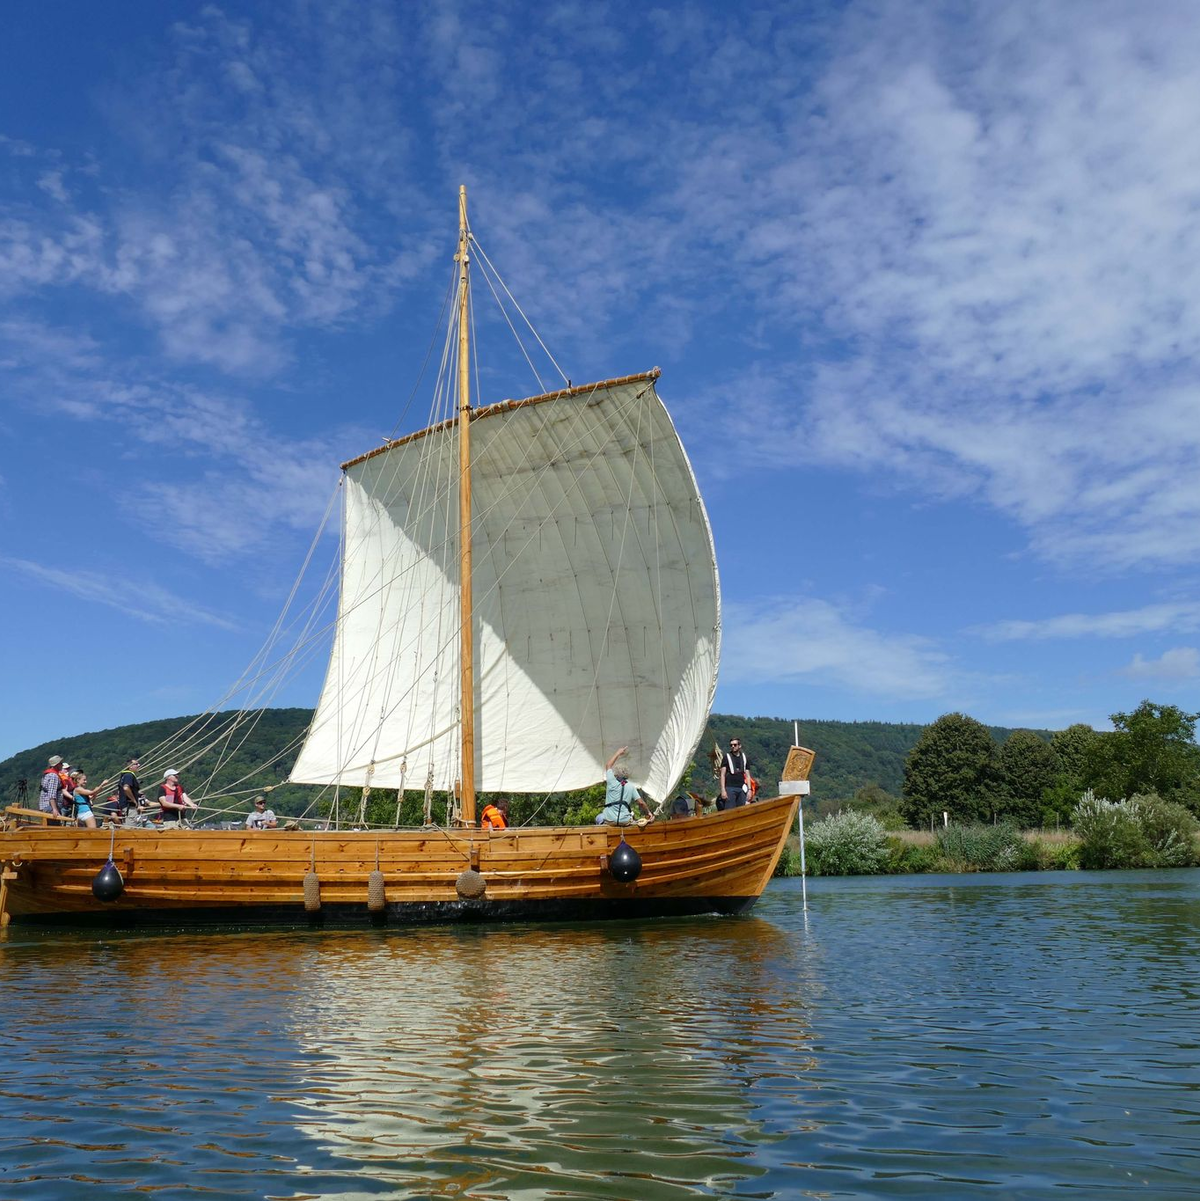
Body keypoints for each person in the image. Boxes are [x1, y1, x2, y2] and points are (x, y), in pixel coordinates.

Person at [595, 746, 655, 825]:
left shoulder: (611, 781)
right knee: (633, 818)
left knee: (599, 817)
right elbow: (641, 803)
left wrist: (618, 753)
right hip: (625, 821)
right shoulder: (631, 786)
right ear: (627, 776)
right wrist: (649, 813)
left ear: (615, 775)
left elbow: (608, 765)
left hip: (609, 819)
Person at [719, 738, 751, 809]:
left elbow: (748, 775)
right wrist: (723, 790)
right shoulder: (726, 757)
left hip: (741, 788)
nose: (733, 746)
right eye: (731, 745)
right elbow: (722, 774)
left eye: (735, 745)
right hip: (730, 788)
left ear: (739, 746)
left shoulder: (745, 757)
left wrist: (749, 789)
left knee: (742, 809)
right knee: (730, 810)